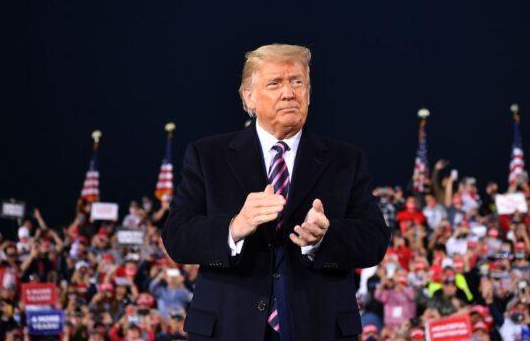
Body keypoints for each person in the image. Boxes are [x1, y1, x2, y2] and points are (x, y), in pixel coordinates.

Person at [162, 44, 391, 340]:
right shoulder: (208, 156)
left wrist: (324, 238)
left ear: (308, 92)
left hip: (318, 328)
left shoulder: (345, 160)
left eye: (297, 82)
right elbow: (177, 237)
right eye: (275, 83)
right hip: (229, 328)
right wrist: (234, 227)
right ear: (249, 97)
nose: (289, 93)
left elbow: (374, 240)